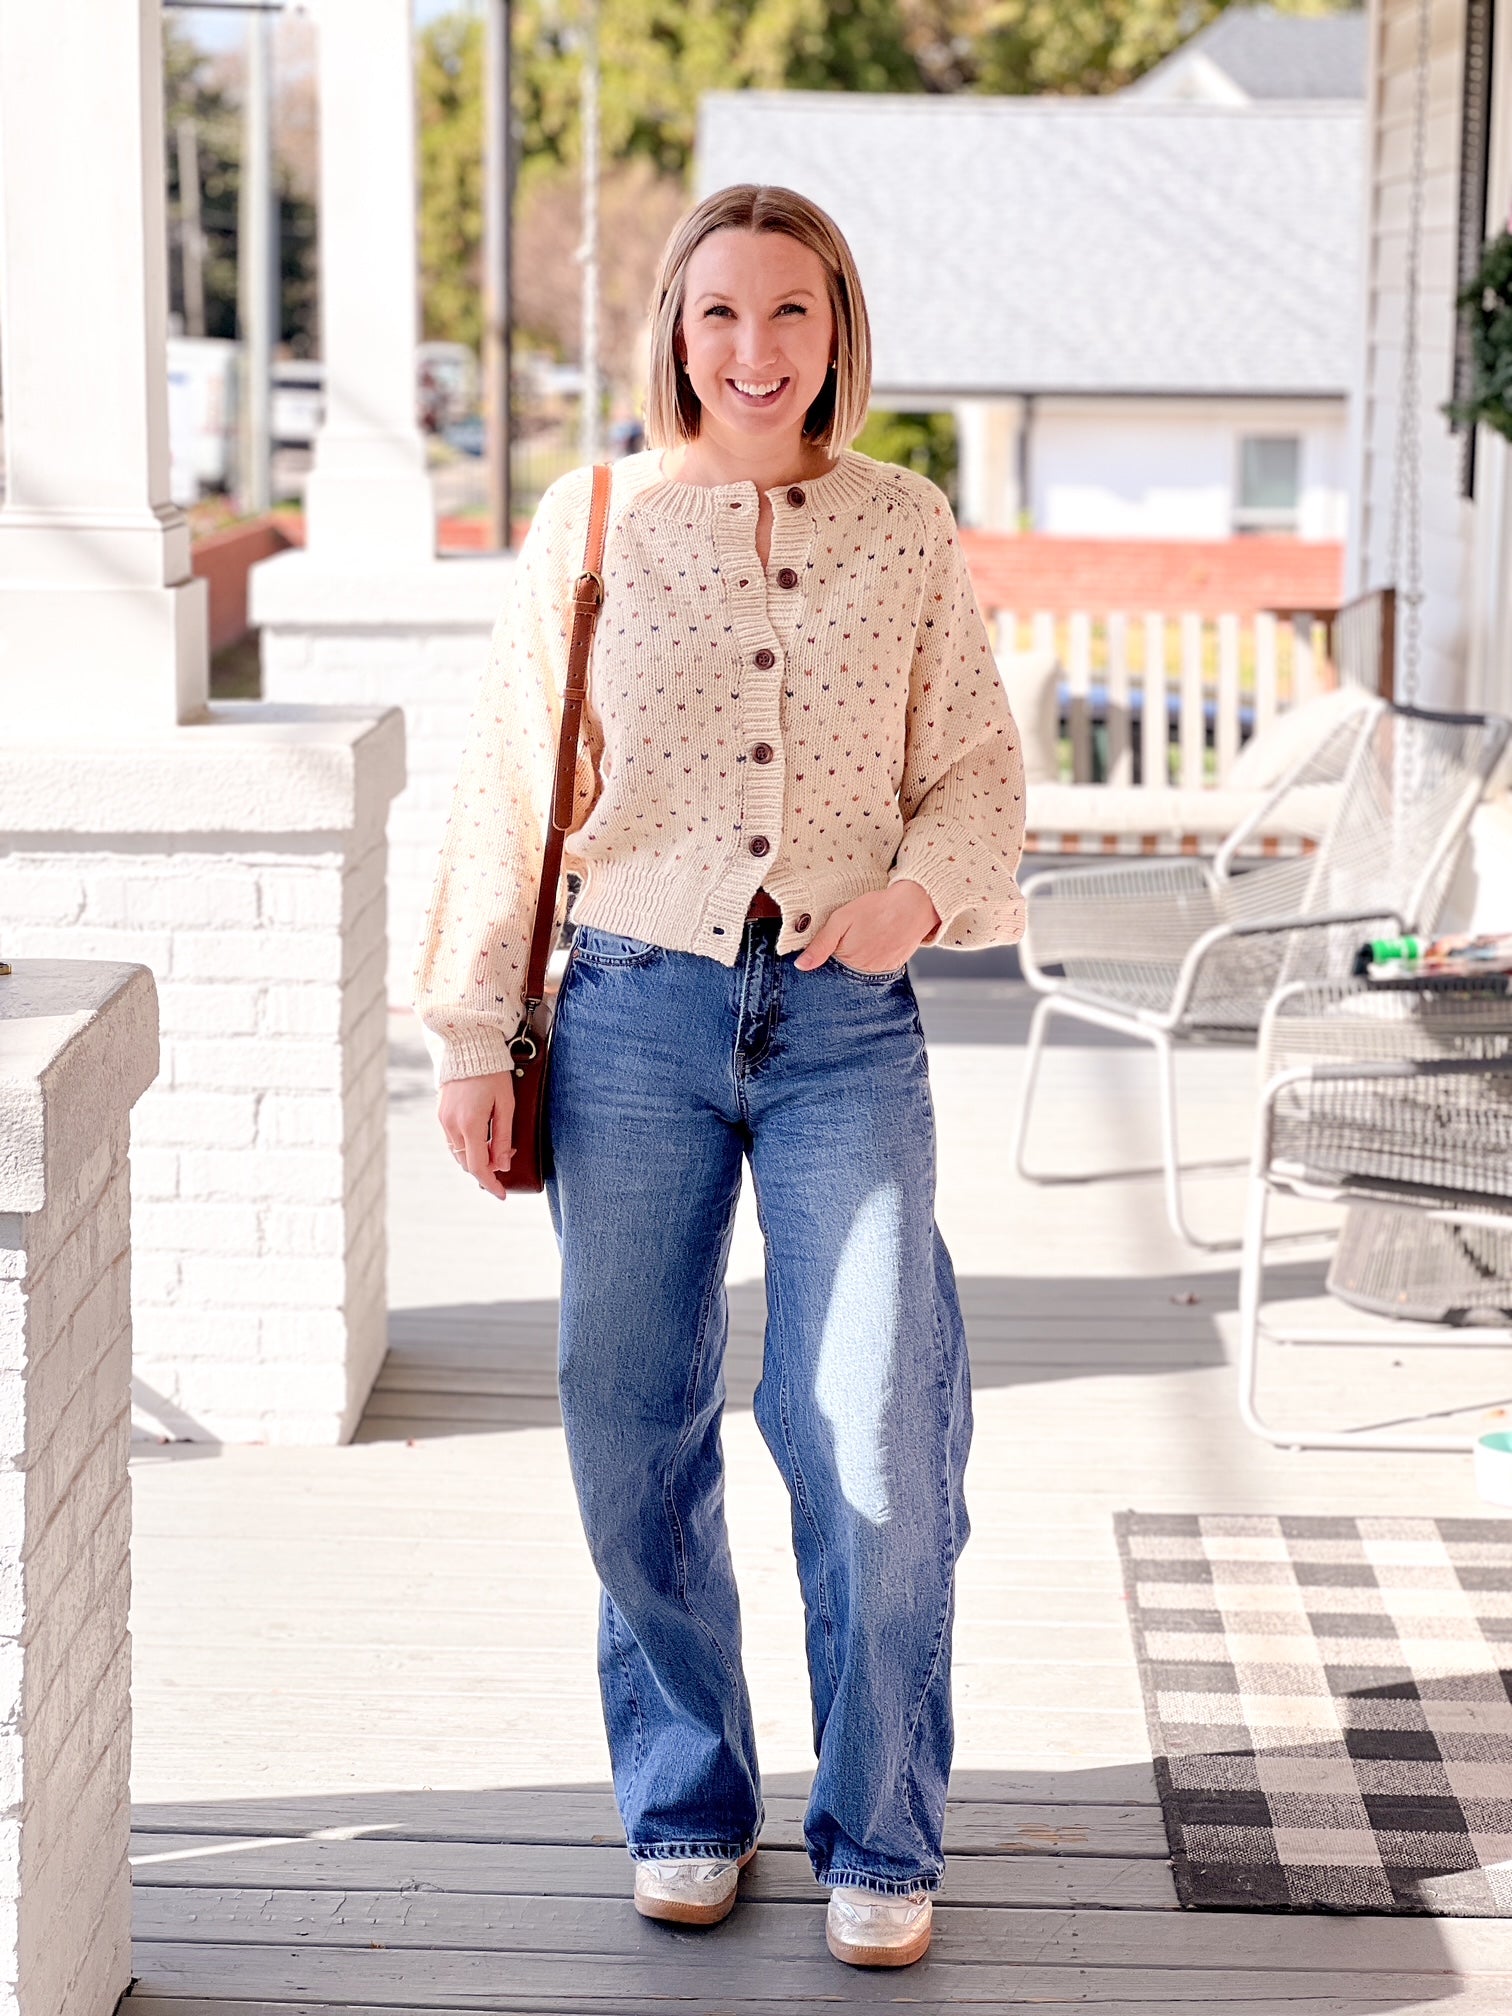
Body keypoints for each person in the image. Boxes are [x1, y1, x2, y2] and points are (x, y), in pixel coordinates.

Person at [413, 184, 1025, 1971]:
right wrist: (475, 1031)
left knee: (874, 1439)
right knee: (627, 1424)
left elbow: (977, 767)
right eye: (717, 316)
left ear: (840, 329)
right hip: (627, 1018)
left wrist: (919, 890)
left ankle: (879, 1827)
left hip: (844, 1021)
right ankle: (688, 1796)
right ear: (671, 334)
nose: (753, 352)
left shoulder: (906, 528)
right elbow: (515, 780)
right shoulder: (589, 519)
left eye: (790, 314)